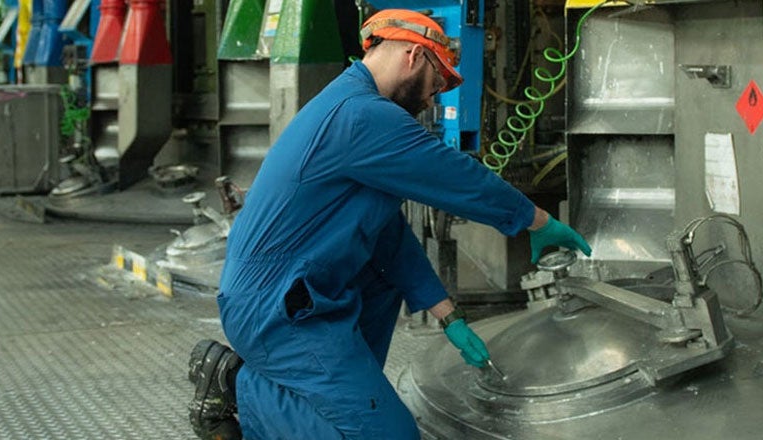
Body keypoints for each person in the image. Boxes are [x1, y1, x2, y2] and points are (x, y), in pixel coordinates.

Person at [186, 9, 593, 440]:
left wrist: (448, 316)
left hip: (296, 295)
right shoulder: (360, 115)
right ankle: (236, 382)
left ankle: (307, 405)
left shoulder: (351, 106)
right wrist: (536, 221)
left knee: (381, 285)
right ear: (414, 56)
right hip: (277, 309)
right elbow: (454, 175)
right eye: (437, 85)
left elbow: (388, 236)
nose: (432, 100)